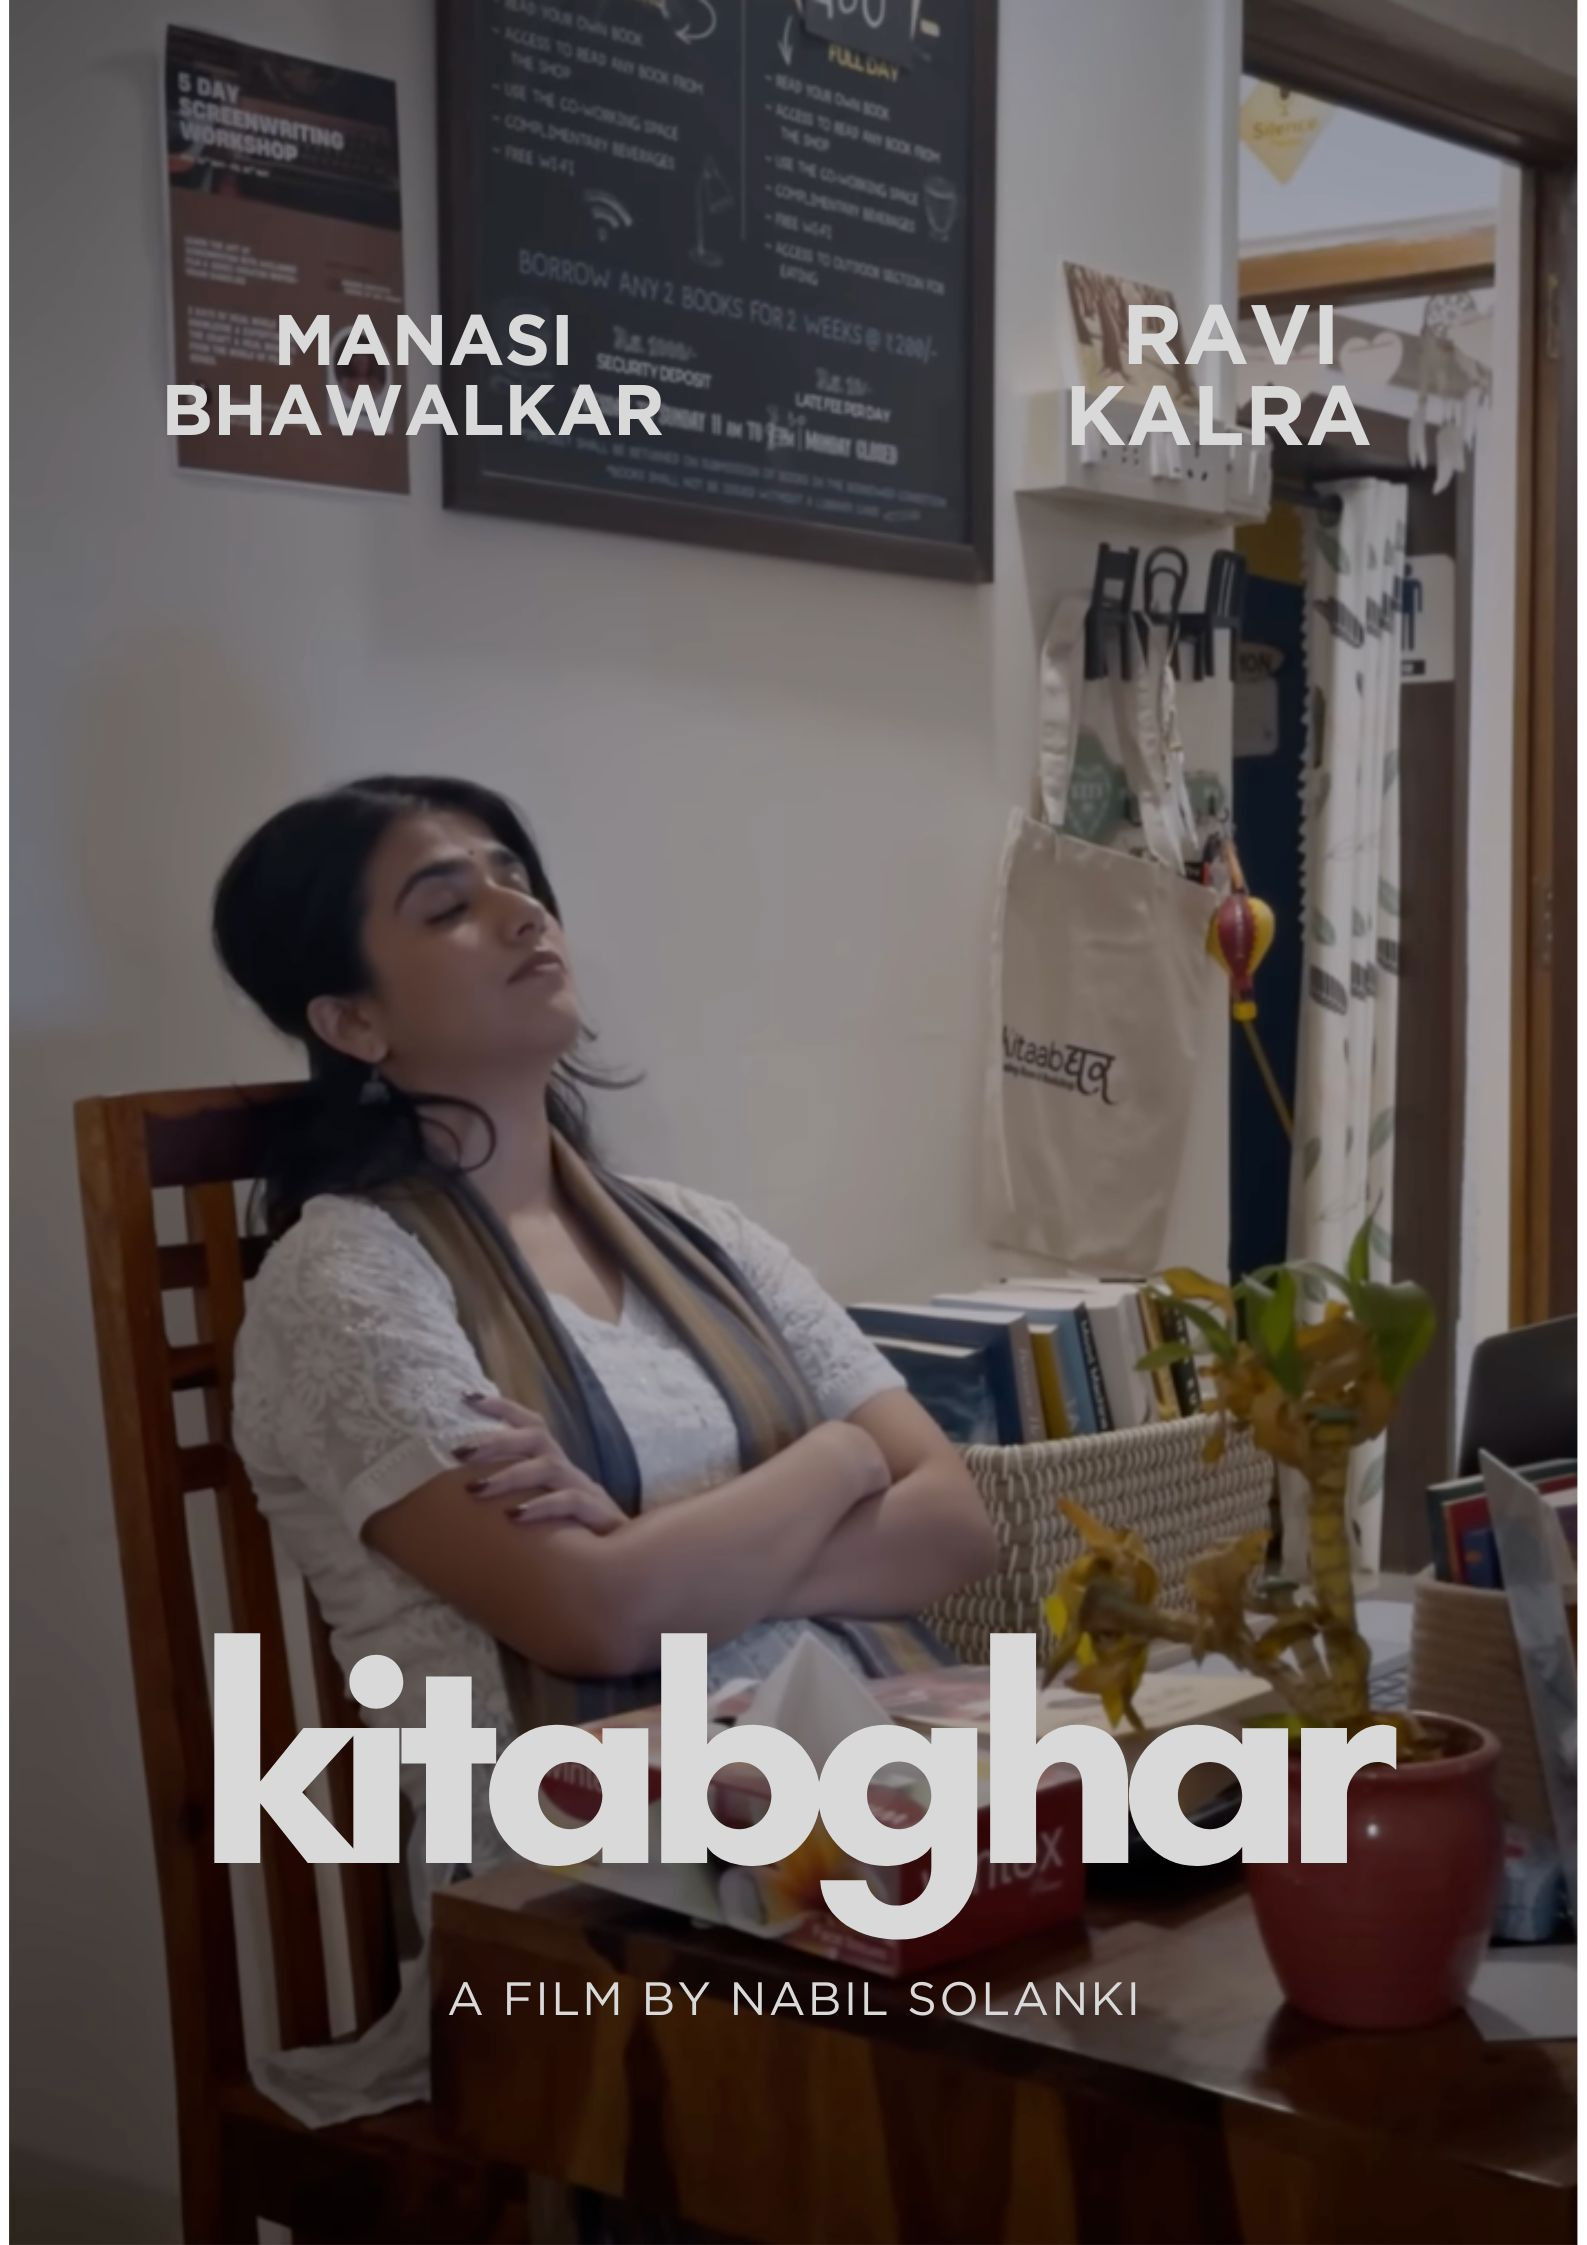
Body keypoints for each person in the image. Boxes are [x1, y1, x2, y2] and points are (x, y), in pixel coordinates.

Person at [216, 774, 997, 2125]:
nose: (521, 912)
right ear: (351, 1021)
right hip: (575, 1883)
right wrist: (832, 1463)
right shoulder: (347, 1281)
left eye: (516, 878)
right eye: (447, 906)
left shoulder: (704, 1233)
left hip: (849, 1783)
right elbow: (587, 1619)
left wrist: (651, 1557)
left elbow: (955, 1524)